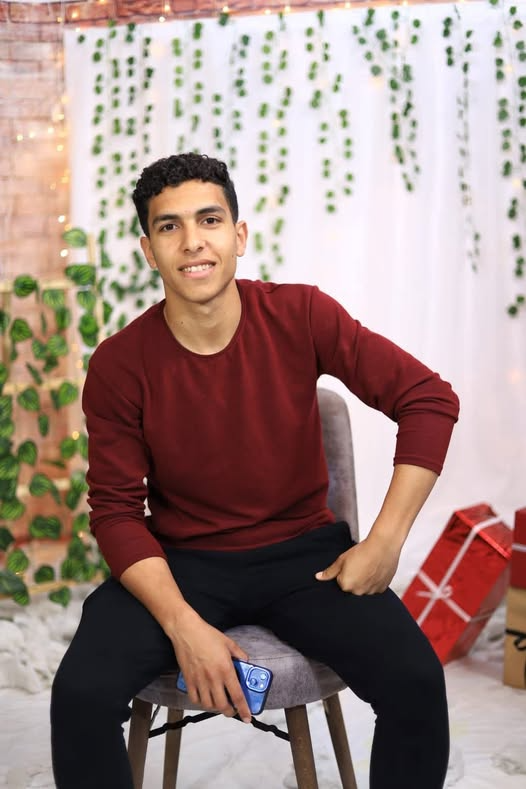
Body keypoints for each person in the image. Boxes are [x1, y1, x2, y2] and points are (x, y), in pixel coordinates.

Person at [51, 152, 459, 789]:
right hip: (181, 563)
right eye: (169, 226)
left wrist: (384, 542)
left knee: (415, 681)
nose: (193, 241)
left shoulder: (301, 314)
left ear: (239, 236)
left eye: (209, 220)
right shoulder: (119, 364)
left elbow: (428, 399)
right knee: (79, 695)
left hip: (305, 558)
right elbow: (117, 511)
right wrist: (185, 626)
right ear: (149, 251)